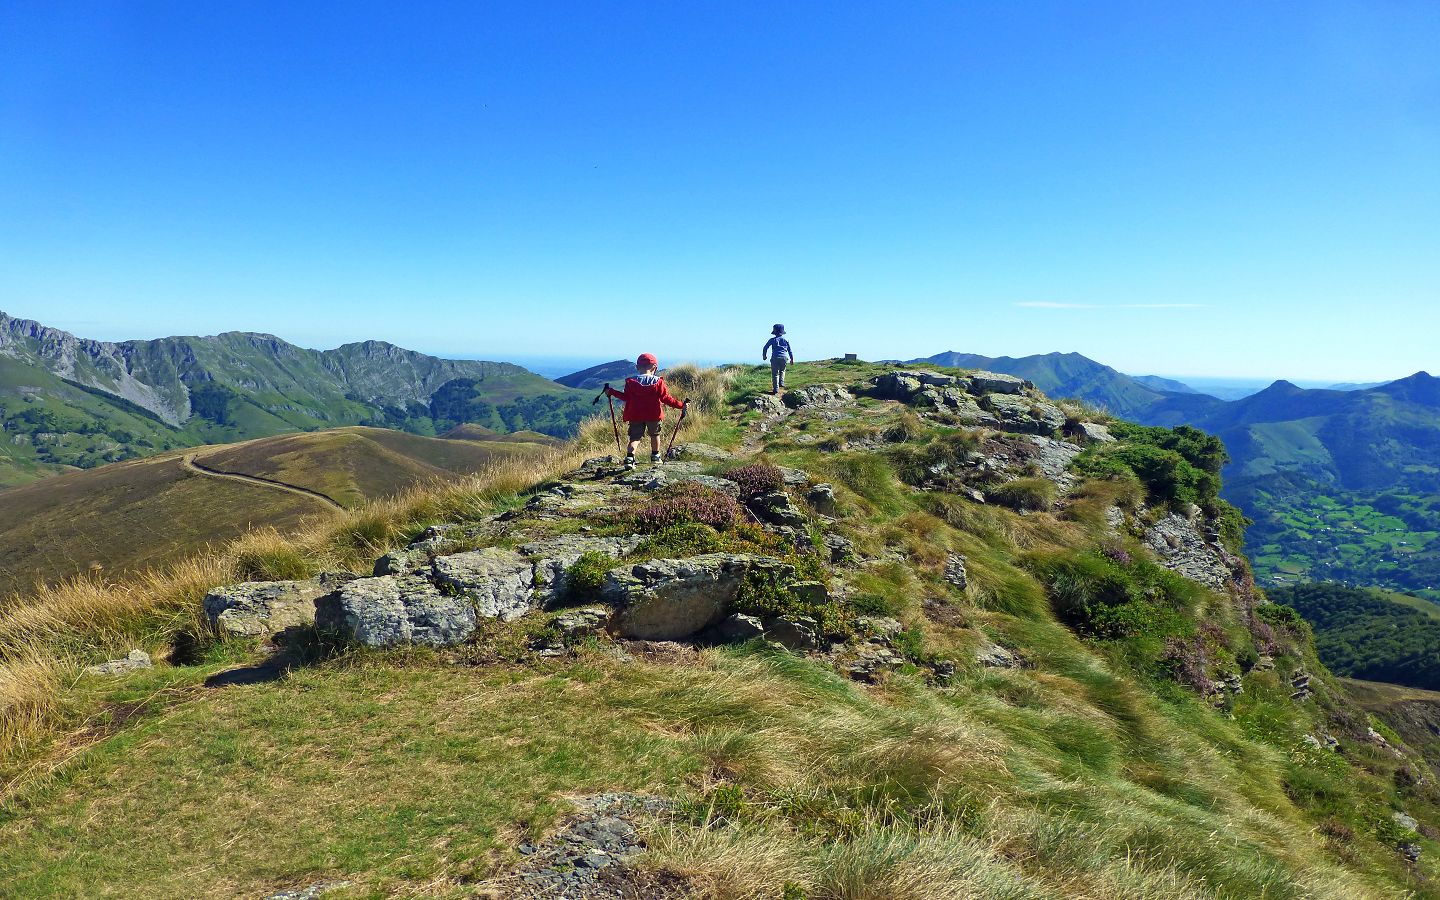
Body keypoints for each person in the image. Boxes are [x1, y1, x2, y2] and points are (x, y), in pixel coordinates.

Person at [604, 353, 687, 469]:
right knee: (655, 435)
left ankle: (629, 458)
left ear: (637, 367)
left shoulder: (631, 382)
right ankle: (655, 456)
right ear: (654, 367)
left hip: (635, 415)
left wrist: (611, 392)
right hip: (654, 415)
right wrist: (680, 405)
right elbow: (666, 398)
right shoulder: (658, 382)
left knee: (635, 438)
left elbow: (626, 398)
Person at [762, 324, 794, 394]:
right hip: (784, 357)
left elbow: (765, 348)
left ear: (774, 332)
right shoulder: (786, 339)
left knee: (775, 374)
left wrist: (764, 356)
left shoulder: (772, 340)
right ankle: (781, 383)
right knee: (782, 370)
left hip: (775, 357)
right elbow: (789, 350)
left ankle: (776, 389)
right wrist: (792, 359)